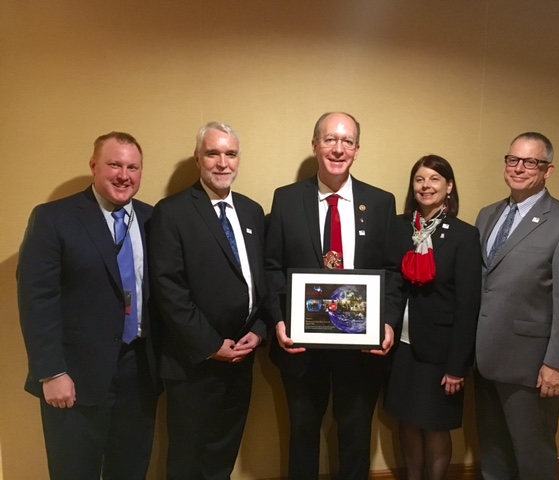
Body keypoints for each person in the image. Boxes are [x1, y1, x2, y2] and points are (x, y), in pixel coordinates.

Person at [16, 132, 161, 480]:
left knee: (129, 470)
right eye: (114, 164)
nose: (124, 175)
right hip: (74, 377)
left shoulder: (153, 219)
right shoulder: (54, 218)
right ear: (94, 166)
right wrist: (51, 372)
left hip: (139, 374)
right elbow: (37, 300)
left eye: (133, 167)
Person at [265, 112, 400, 479]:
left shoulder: (381, 202)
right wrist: (278, 321)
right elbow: (272, 266)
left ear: (357, 149)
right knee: (303, 435)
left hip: (361, 349)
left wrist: (387, 323)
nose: (338, 149)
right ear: (314, 146)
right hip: (301, 347)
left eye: (347, 141)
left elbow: (392, 272)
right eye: (329, 139)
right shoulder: (287, 200)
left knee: (356, 435)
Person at [149, 122, 268, 480]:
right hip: (193, 362)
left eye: (230, 154)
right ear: (198, 158)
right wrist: (210, 343)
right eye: (213, 153)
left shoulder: (252, 212)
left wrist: (260, 330)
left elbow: (261, 282)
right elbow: (168, 288)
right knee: (188, 457)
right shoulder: (171, 212)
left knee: (223, 454)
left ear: (238, 160)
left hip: (241, 358)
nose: (222, 162)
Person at [474, 132, 559, 480]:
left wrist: (557, 364)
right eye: (513, 160)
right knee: (493, 453)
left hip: (531, 368)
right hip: (485, 358)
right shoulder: (487, 215)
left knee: (533, 456)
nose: (519, 168)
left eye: (531, 162)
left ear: (548, 170)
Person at [384, 155, 481, 480]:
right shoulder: (398, 227)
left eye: (435, 179)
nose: (426, 186)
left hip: (440, 352)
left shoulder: (464, 236)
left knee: (436, 426)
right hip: (402, 348)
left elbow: (468, 305)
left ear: (449, 186)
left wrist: (457, 366)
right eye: (420, 179)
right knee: (407, 421)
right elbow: (388, 282)